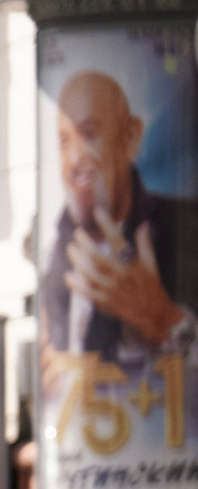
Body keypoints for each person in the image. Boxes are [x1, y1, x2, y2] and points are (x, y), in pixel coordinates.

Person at [41, 69, 198, 370]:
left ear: (129, 137)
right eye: (63, 142)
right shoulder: (54, 257)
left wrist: (165, 319)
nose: (74, 159)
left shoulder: (186, 229)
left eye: (88, 134)